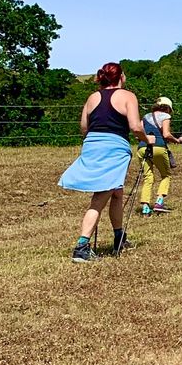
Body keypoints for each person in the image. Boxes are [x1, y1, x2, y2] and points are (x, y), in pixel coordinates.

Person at [59, 62, 154, 263]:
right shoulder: (128, 96)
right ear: (120, 77)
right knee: (101, 196)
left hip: (92, 145)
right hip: (114, 149)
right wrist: (148, 140)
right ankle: (82, 246)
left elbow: (84, 127)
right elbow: (136, 127)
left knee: (117, 193)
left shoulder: (93, 97)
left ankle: (119, 237)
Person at [138, 96, 182, 216]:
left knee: (148, 177)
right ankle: (159, 202)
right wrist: (177, 140)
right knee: (166, 176)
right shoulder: (165, 116)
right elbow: (166, 134)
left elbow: (138, 133)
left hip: (142, 148)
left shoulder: (145, 117)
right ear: (168, 108)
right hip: (158, 148)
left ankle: (145, 207)